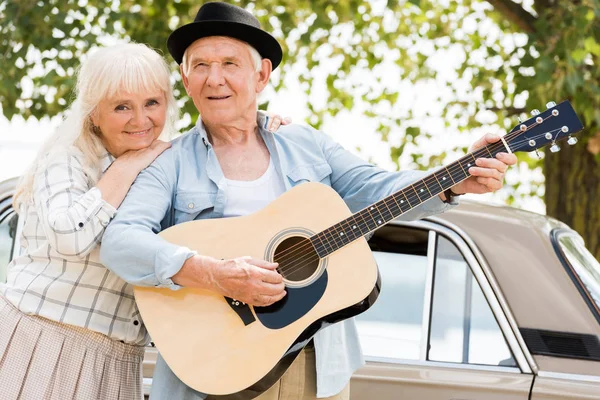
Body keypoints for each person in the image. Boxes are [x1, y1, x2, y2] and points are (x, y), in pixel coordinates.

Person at [100, 2, 518, 400]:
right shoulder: (168, 161)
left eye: (230, 64)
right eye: (201, 67)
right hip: (215, 370)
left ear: (261, 75)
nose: (215, 79)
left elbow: (380, 188)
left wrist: (454, 182)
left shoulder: (307, 144)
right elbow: (121, 240)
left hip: (318, 364)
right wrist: (214, 274)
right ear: (185, 79)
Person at [0, 41, 288, 400]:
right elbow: (69, 236)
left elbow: (207, 237)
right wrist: (126, 166)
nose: (141, 120)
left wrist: (264, 133)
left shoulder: (164, 165)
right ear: (94, 113)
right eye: (122, 106)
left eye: (152, 103)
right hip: (44, 340)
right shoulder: (68, 159)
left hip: (118, 359)